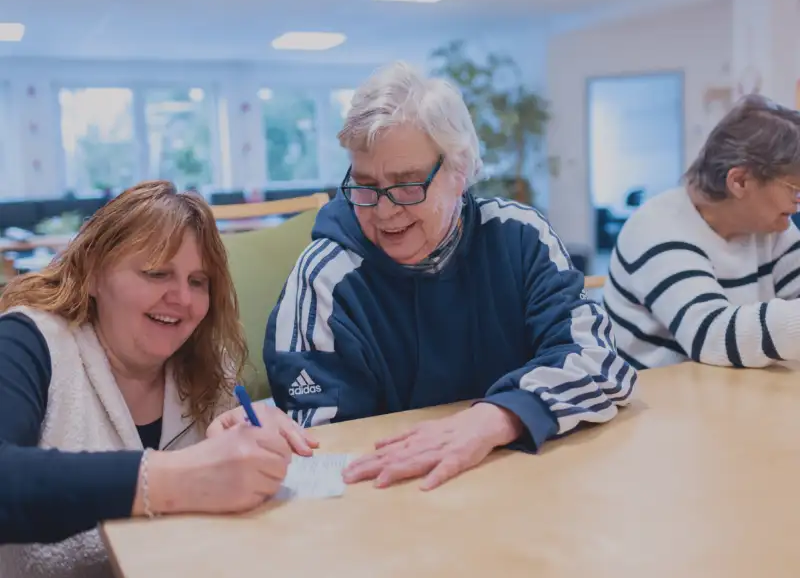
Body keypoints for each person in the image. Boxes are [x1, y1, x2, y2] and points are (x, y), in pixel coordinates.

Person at [263, 61, 636, 491]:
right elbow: (325, 453)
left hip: (522, 486)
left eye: (407, 185)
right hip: (394, 511)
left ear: (459, 172)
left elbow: (600, 361)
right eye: (365, 185)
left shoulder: (521, 238)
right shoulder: (324, 278)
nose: (384, 211)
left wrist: (498, 417)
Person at [0, 181, 317, 577]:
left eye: (197, 282)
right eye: (156, 273)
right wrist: (178, 477)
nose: (182, 299)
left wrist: (252, 436)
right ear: (94, 273)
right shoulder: (27, 341)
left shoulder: (207, 364)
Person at [603, 94, 800, 369]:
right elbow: (711, 336)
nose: (798, 201)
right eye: (794, 189)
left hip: (735, 393)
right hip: (657, 402)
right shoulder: (657, 229)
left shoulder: (772, 225)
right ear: (740, 181)